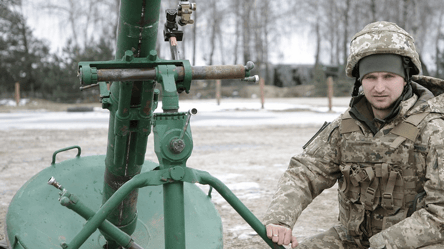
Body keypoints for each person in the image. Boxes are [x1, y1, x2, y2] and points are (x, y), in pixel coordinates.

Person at [263, 21, 444, 249]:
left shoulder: (434, 129)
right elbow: (305, 171)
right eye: (370, 77)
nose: (379, 88)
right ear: (360, 80)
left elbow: (440, 216)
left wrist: (382, 245)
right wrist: (280, 218)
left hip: (416, 242)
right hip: (353, 240)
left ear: (406, 77)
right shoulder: (345, 127)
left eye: (388, 76)